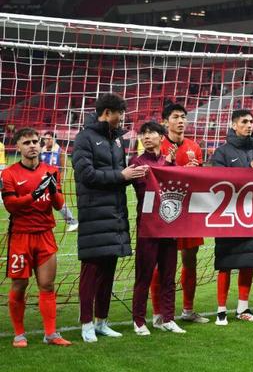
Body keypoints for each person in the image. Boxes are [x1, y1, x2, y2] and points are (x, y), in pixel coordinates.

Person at [73, 93, 148, 342]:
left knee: (108, 272)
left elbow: (118, 175)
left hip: (115, 215)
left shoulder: (117, 140)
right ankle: (86, 324)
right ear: (107, 112)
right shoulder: (84, 138)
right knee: (91, 272)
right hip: (94, 215)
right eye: (120, 113)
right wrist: (121, 176)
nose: (122, 118)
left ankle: (101, 322)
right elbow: (86, 175)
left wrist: (132, 174)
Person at [2, 127, 72, 347]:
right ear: (18, 146)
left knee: (47, 285)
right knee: (19, 285)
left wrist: (52, 191)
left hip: (45, 235)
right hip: (21, 236)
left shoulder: (51, 171)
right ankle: (19, 334)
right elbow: (11, 205)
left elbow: (58, 205)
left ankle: (50, 334)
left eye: (35, 141)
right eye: (26, 142)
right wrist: (34, 194)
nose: (32, 145)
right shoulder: (9, 174)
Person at [211, 109, 253, 325]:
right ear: (234, 125)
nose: (249, 125)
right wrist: (247, 170)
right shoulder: (222, 152)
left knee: (249, 261)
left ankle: (243, 308)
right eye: (244, 122)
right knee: (225, 263)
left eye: (251, 122)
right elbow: (217, 180)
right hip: (229, 216)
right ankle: (221, 311)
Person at [152, 103, 209, 325]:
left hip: (189, 211)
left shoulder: (194, 146)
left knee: (190, 260)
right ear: (165, 121)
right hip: (165, 212)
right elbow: (153, 178)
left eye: (183, 117)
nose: (181, 121)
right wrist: (180, 171)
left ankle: (188, 309)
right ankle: (158, 313)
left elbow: (200, 181)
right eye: (175, 117)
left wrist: (196, 172)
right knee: (162, 263)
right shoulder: (159, 145)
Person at [130, 122, 185, 336]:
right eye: (143, 134)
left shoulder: (169, 161)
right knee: (144, 275)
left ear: (162, 137)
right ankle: (139, 320)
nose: (146, 137)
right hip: (148, 227)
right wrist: (165, 167)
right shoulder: (137, 162)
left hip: (169, 225)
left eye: (151, 133)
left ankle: (168, 318)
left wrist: (171, 165)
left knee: (168, 275)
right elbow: (146, 189)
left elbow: (176, 188)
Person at [39, 131, 79, 232]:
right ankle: (46, 224)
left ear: (54, 139)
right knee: (42, 202)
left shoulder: (60, 151)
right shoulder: (41, 151)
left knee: (58, 202)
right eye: (45, 139)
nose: (46, 141)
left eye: (48, 139)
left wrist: (60, 180)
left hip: (54, 180)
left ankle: (73, 222)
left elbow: (64, 168)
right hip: (41, 180)